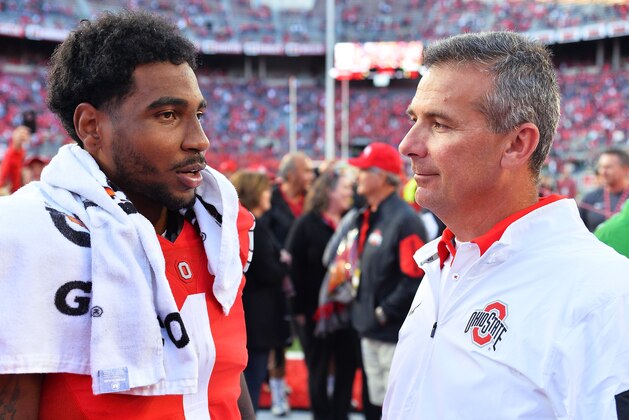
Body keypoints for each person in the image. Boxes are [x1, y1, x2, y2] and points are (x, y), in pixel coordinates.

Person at [0, 11, 255, 419]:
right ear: (92, 126)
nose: (199, 140)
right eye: (168, 115)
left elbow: (225, 381)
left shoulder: (222, 226)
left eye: (199, 115)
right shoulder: (27, 235)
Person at [384, 31, 629, 419]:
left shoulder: (603, 295)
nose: (408, 144)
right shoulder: (448, 262)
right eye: (414, 119)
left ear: (517, 144)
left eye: (440, 124)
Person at [347, 142, 428, 419]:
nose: (357, 177)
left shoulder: (404, 220)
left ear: (380, 176)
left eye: (363, 170)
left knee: (394, 407)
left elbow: (414, 279)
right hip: (370, 328)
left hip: (390, 333)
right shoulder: (370, 214)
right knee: (375, 404)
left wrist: (382, 313)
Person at [285, 166, 358, 420]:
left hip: (347, 311)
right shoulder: (306, 224)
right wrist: (298, 310)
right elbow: (293, 270)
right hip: (313, 311)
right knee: (317, 367)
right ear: (329, 192)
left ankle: (340, 414)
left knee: (347, 366)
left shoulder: (354, 221)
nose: (351, 192)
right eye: (346, 187)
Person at [230, 170, 290, 413]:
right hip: (256, 317)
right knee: (251, 382)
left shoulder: (243, 223)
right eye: (265, 189)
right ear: (254, 192)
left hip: (249, 314)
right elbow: (267, 272)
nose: (270, 195)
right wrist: (284, 263)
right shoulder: (254, 226)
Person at [260, 151, 315, 416]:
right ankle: (278, 394)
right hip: (277, 282)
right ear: (291, 174)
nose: (311, 176)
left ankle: (319, 387)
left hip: (305, 281)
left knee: (313, 337)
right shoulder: (271, 196)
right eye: (306, 171)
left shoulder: (314, 198)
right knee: (277, 343)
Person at [579, 148, 629, 231]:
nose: (602, 172)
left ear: (625, 169)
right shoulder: (589, 198)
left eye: (608, 167)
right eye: (601, 167)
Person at [0, 124, 30, 194]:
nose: (22, 135)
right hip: (9, 190)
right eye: (20, 133)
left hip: (16, 190)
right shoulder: (10, 153)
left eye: (25, 133)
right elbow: (3, 174)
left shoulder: (22, 152)